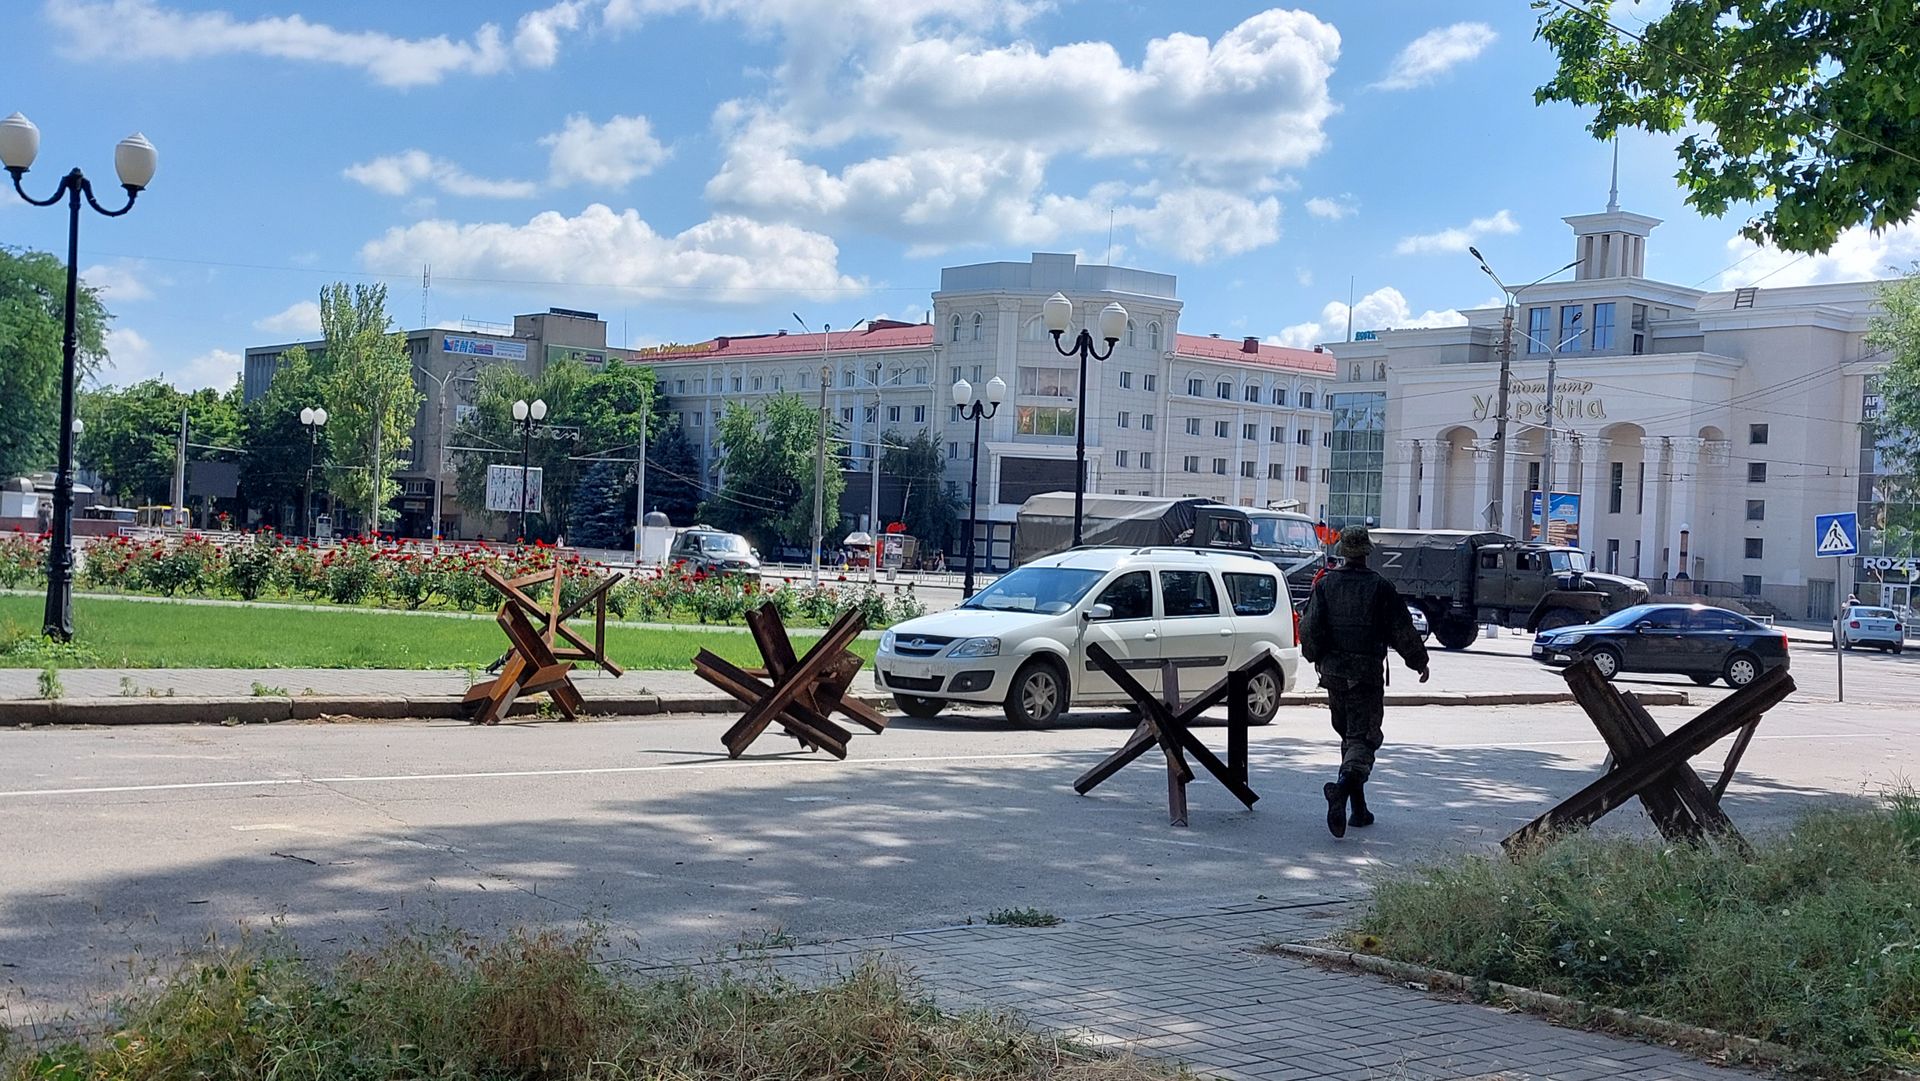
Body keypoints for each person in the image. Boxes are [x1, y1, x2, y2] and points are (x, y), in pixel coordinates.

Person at [1300, 525, 1430, 838]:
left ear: (1343, 551)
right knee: (1364, 739)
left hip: (1332, 675)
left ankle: (1358, 810)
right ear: (1367, 552)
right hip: (1365, 677)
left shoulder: (1326, 586)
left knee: (1348, 736)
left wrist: (1314, 656)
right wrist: (1419, 662)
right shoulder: (1380, 587)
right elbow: (1402, 630)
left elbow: (1309, 629)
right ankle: (1342, 790)